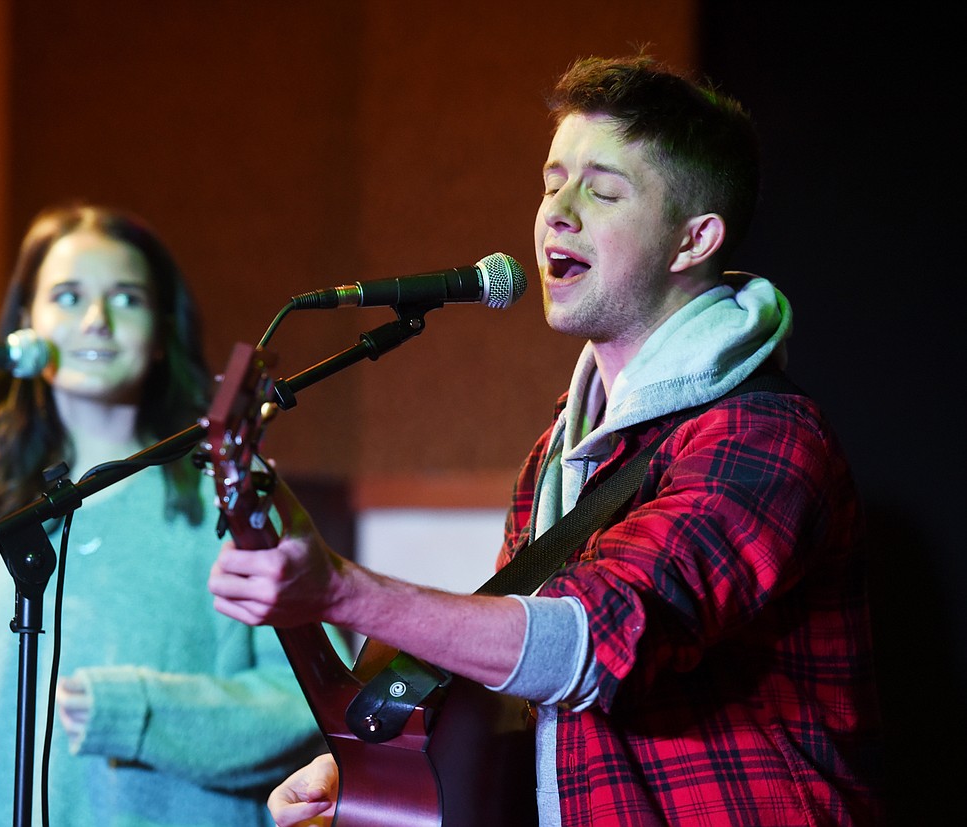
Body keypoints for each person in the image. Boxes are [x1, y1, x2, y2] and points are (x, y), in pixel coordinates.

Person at [208, 56, 883, 826]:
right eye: (551, 180)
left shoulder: (765, 434)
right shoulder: (558, 454)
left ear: (693, 240)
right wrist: (369, 763)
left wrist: (341, 591)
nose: (555, 211)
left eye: (601, 190)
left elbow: (595, 639)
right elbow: (510, 687)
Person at [0, 203, 328, 827]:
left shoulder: (235, 487)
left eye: (127, 299)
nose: (96, 321)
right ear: (25, 324)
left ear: (163, 332)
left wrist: (138, 711)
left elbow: (309, 703)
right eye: (67, 295)